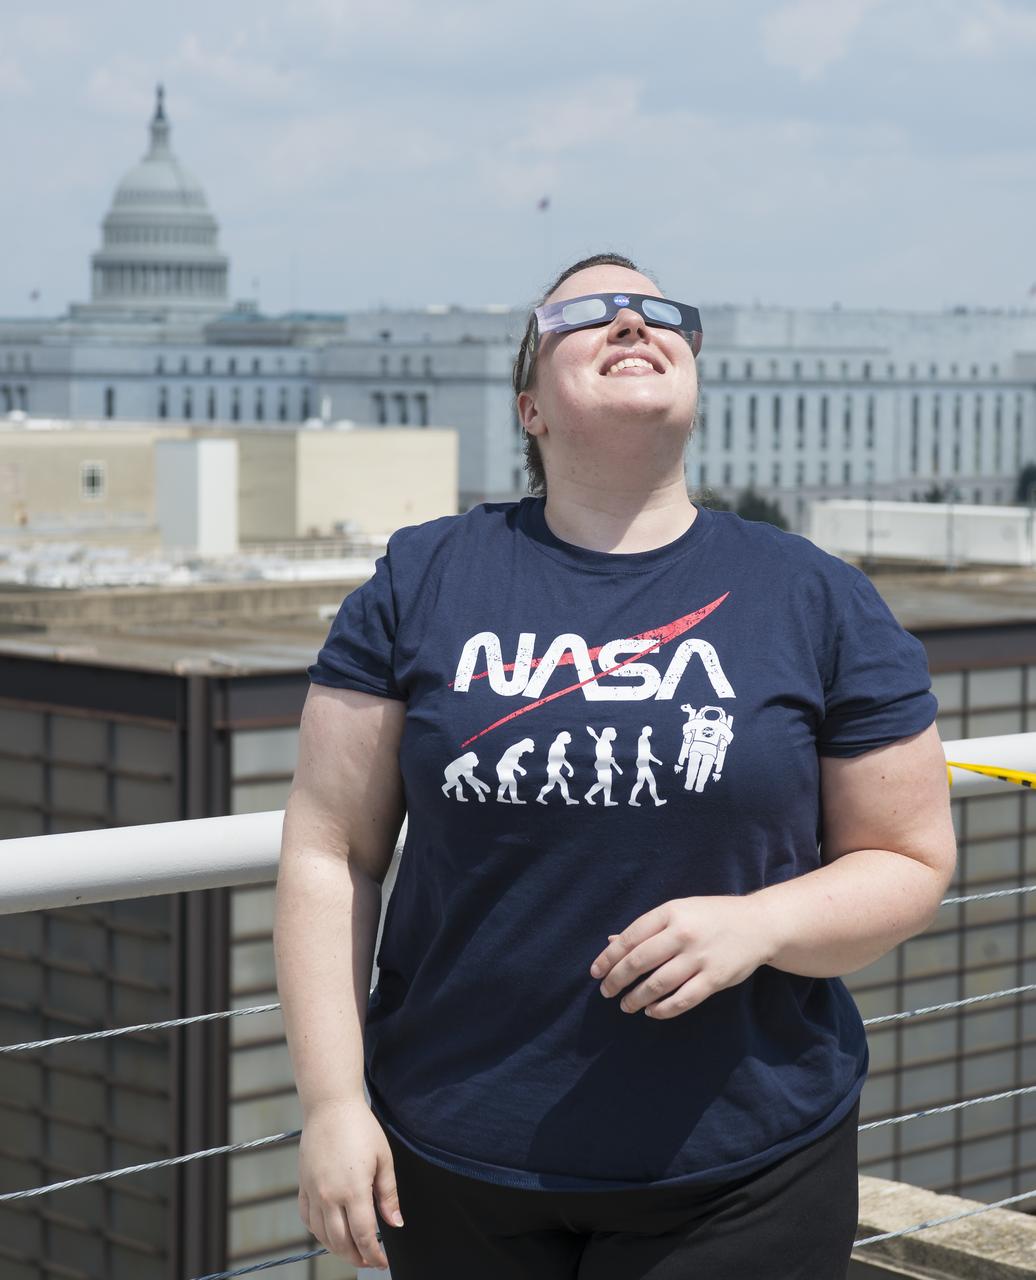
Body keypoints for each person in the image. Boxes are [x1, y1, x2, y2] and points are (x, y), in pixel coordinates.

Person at [274, 252, 957, 1278]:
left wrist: (758, 921)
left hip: (741, 1168)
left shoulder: (814, 594)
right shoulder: (423, 578)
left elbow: (910, 858)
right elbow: (330, 849)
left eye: (659, 313)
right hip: (455, 1160)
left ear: (693, 377)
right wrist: (332, 1102)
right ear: (528, 407)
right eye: (586, 315)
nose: (631, 322)